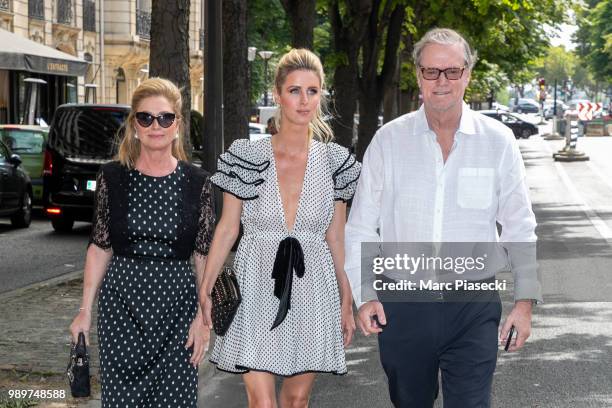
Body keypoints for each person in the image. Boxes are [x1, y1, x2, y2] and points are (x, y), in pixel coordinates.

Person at [345, 28, 542, 407]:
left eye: (451, 71)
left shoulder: (498, 141)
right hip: (403, 305)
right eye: (431, 72)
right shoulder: (388, 141)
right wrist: (365, 294)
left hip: (473, 304)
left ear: (467, 73)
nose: (442, 82)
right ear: (418, 75)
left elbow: (520, 225)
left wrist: (524, 303)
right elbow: (360, 227)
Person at [199, 48, 360, 407]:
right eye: (294, 91)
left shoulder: (335, 162)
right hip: (255, 281)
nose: (304, 101)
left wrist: (346, 299)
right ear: (277, 94)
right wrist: (205, 291)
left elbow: (336, 236)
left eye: (312, 91)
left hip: (314, 286)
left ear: (321, 95)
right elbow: (227, 228)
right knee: (262, 403)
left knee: (297, 400)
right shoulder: (247, 155)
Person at [69, 78, 215, 407]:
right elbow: (100, 246)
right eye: (145, 118)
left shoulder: (197, 182)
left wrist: (203, 320)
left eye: (165, 118)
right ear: (135, 125)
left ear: (177, 125)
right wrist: (84, 312)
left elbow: (203, 256)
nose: (155, 126)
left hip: (178, 310)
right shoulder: (112, 177)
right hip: (122, 309)